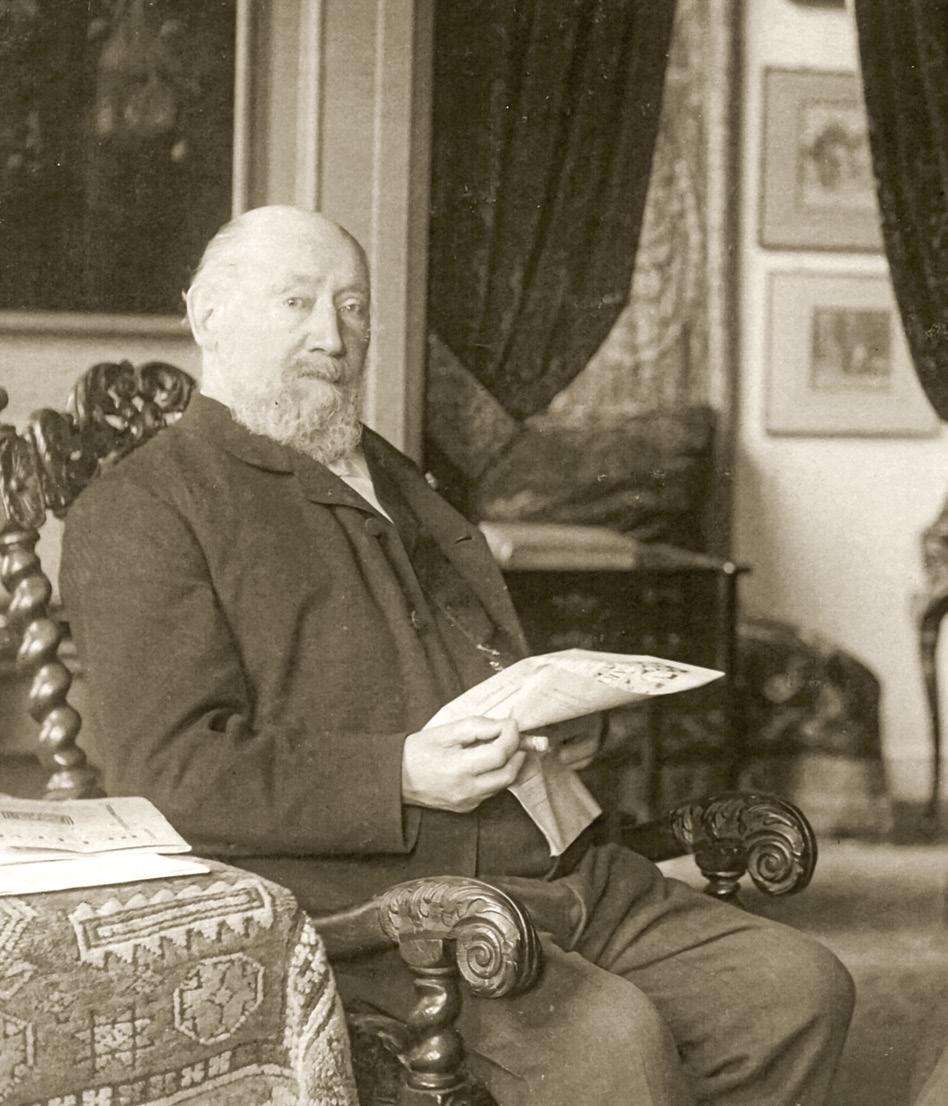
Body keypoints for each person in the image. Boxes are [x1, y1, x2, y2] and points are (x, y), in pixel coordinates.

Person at [60, 205, 854, 1106]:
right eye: (296, 302)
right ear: (209, 316)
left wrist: (562, 724)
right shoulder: (143, 508)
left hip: (558, 867)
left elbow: (471, 662)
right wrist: (400, 774)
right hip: (387, 915)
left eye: (353, 306)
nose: (333, 336)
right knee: (615, 1045)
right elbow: (167, 772)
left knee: (796, 991)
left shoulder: (393, 474)